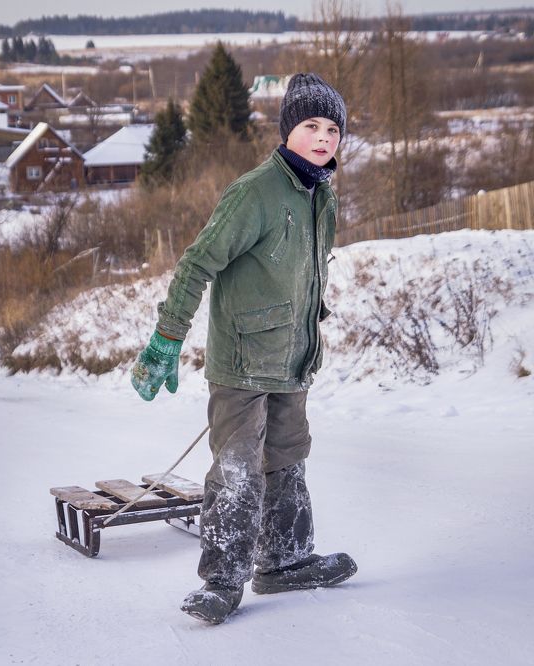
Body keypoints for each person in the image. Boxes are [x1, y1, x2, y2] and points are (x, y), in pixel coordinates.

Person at [130, 73, 357, 625]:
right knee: (236, 468)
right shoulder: (255, 192)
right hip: (242, 362)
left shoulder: (320, 194)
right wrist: (167, 336)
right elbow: (196, 263)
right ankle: (222, 582)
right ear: (287, 132)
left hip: (292, 358)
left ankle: (283, 561)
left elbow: (305, 270)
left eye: (332, 129)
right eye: (310, 126)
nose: (323, 138)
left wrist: (311, 319)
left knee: (288, 458)